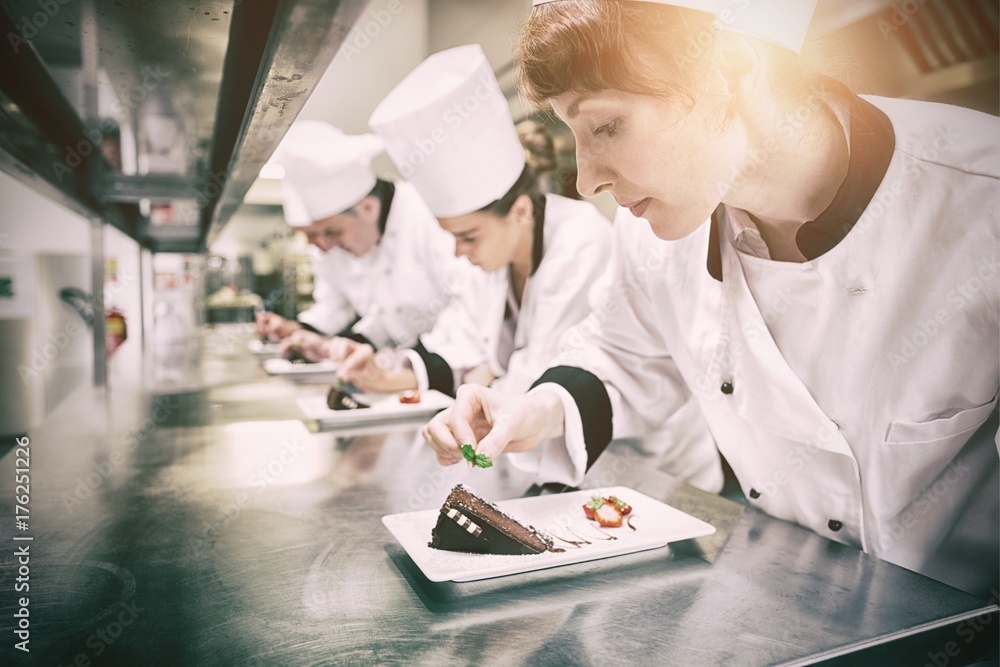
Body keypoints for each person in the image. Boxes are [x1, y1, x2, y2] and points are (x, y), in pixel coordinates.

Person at [422, 0, 999, 599]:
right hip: (783, 601)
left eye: (607, 125)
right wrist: (537, 410)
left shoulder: (981, 196)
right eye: (575, 135)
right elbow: (621, 353)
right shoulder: (655, 231)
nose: (585, 179)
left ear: (731, 68)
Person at [254, 121, 471, 358]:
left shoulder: (425, 215)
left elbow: (466, 304)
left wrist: (419, 365)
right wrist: (307, 334)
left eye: (331, 233)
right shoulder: (343, 240)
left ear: (367, 208)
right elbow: (367, 312)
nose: (325, 247)